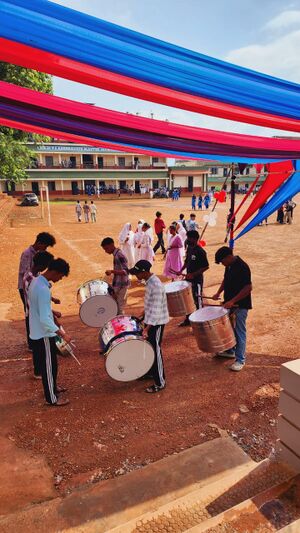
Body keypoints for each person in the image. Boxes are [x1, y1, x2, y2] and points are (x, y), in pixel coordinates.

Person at [28, 258, 71, 406]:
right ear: (54, 272)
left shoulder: (35, 282)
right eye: (60, 276)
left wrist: (52, 311)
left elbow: (36, 307)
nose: (60, 279)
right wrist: (62, 333)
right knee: (49, 366)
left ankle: (53, 388)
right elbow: (45, 319)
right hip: (44, 334)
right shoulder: (43, 289)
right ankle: (52, 398)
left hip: (36, 331)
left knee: (51, 365)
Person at [129, 260, 169, 393]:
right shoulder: (149, 282)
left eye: (137, 273)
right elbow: (150, 304)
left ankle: (160, 382)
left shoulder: (156, 286)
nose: (136, 276)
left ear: (145, 272)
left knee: (155, 351)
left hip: (156, 323)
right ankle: (152, 373)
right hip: (151, 320)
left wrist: (146, 329)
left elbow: (156, 310)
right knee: (150, 348)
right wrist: (142, 314)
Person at [213, 246, 252, 372]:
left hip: (240, 306)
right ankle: (230, 351)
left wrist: (233, 301)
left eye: (223, 261)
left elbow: (248, 288)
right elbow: (226, 279)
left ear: (229, 257)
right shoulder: (229, 266)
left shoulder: (242, 267)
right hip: (230, 304)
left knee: (240, 332)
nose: (223, 264)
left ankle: (240, 360)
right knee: (229, 329)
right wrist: (218, 292)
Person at [23, 251, 57, 375]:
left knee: (38, 346)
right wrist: (61, 333)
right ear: (43, 265)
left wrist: (52, 300)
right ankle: (40, 372)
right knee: (39, 348)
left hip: (35, 314)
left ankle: (41, 372)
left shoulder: (33, 276)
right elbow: (36, 302)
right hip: (36, 316)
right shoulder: (32, 279)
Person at [18, 232, 56, 312]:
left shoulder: (37, 253)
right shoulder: (27, 254)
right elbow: (26, 272)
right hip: (25, 286)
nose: (45, 249)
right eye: (45, 246)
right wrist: (41, 282)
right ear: (39, 243)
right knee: (30, 309)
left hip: (33, 285)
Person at [178, 230, 209, 326]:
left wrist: (194, 274)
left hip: (197, 281)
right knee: (187, 300)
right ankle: (188, 319)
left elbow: (206, 266)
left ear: (195, 239)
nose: (187, 240)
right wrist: (181, 270)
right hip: (188, 279)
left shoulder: (201, 251)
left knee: (198, 301)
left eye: (189, 238)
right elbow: (187, 261)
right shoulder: (190, 249)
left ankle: (200, 323)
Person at [101, 237, 130, 314]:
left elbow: (126, 271)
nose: (106, 251)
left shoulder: (119, 255)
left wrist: (112, 271)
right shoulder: (116, 254)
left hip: (122, 285)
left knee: (120, 307)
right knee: (115, 305)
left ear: (111, 245)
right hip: (119, 284)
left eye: (106, 248)